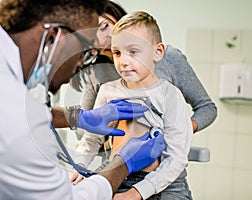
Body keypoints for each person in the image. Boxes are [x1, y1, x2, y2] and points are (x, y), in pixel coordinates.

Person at [0, 0, 166, 199]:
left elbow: (23, 109)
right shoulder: (13, 120)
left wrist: (80, 117)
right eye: (85, 51)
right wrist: (123, 164)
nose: (83, 63)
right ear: (54, 36)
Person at [72, 11, 193, 199]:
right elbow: (91, 140)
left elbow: (176, 158)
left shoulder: (170, 95)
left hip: (164, 185)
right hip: (118, 177)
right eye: (117, 53)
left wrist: (136, 193)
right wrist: (79, 166)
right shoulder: (107, 91)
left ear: (157, 52)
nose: (124, 62)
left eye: (133, 52)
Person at [70, 1, 217, 134]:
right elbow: (83, 132)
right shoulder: (97, 74)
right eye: (92, 37)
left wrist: (180, 132)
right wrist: (111, 133)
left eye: (104, 27)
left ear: (116, 18)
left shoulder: (169, 58)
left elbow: (207, 108)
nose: (103, 41)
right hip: (116, 161)